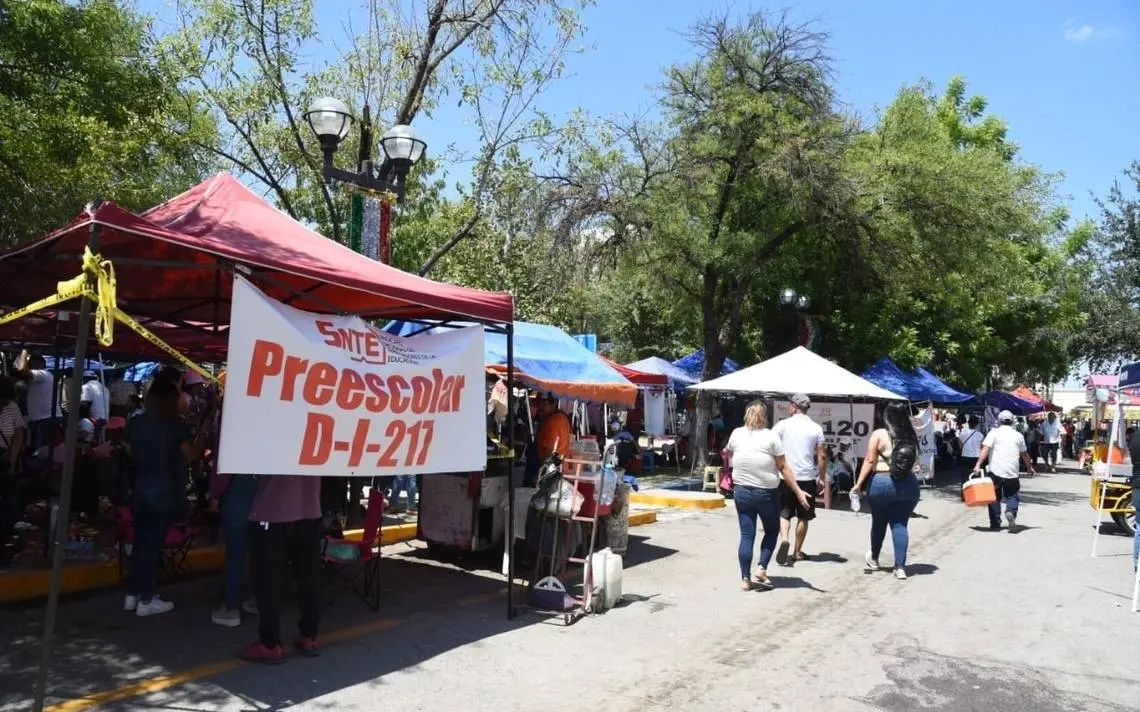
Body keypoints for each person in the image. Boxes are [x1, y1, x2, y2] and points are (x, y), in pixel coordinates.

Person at [123, 378, 207, 617]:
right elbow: (191, 455)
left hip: (139, 488)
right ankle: (147, 599)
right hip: (163, 491)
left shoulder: (136, 423)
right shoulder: (175, 428)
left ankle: (134, 594)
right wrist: (202, 438)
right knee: (152, 546)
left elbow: (129, 451)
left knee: (140, 543)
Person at [724, 399, 811, 591]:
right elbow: (783, 467)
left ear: (747, 414)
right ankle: (761, 568)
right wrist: (798, 491)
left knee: (747, 535)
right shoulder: (771, 437)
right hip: (766, 493)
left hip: (741, 492)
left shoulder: (736, 433)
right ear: (765, 416)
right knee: (772, 531)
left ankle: (745, 579)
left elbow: (729, 454)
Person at [241, 475, 324, 663]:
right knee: (309, 576)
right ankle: (309, 636)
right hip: (310, 509)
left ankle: (269, 644)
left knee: (268, 580)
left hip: (272, 511)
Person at [852, 401, 922, 580]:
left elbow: (869, 460)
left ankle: (874, 559)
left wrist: (858, 484)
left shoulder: (879, 434)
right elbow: (915, 463)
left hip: (881, 482)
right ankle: (900, 567)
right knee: (900, 524)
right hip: (908, 484)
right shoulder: (911, 436)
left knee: (879, 522)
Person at [772, 393, 826, 566]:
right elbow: (822, 455)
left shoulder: (782, 425)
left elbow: (770, 444)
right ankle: (796, 552)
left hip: (785, 476)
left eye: (790, 404)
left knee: (784, 512)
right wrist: (822, 478)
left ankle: (785, 539)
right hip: (807, 477)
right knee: (804, 516)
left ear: (794, 406)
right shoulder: (816, 428)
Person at [972, 409, 1035, 531]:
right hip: (1012, 472)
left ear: (999, 421)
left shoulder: (994, 433)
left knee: (994, 497)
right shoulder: (1018, 435)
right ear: (1012, 421)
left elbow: (985, 449)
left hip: (995, 472)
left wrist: (978, 464)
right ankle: (1010, 511)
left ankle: (995, 524)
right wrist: (1029, 467)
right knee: (1012, 495)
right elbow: (1025, 454)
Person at [0, 377, 26, 562]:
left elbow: (19, 434)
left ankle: (9, 532)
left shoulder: (13, 407)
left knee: (8, 494)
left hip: (5, 456)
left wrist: (12, 457)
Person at [13, 350, 55, 455]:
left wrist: (24, 351)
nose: (28, 365)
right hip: (40, 418)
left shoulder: (42, 374)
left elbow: (22, 370)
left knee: (41, 453)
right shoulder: (43, 377)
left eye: (30, 363)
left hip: (45, 418)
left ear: (39, 364)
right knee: (37, 450)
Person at [535, 394, 571, 463]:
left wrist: (544, 467)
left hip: (548, 463)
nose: (539, 408)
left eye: (544, 404)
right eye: (537, 404)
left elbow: (550, 450)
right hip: (558, 461)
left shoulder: (553, 421)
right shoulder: (562, 416)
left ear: (554, 404)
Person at [957, 416, 983, 497]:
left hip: (965, 456)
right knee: (976, 477)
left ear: (968, 424)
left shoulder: (962, 434)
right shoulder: (980, 435)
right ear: (977, 424)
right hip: (976, 458)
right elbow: (982, 448)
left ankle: (965, 495)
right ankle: (976, 495)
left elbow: (960, 446)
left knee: (964, 477)